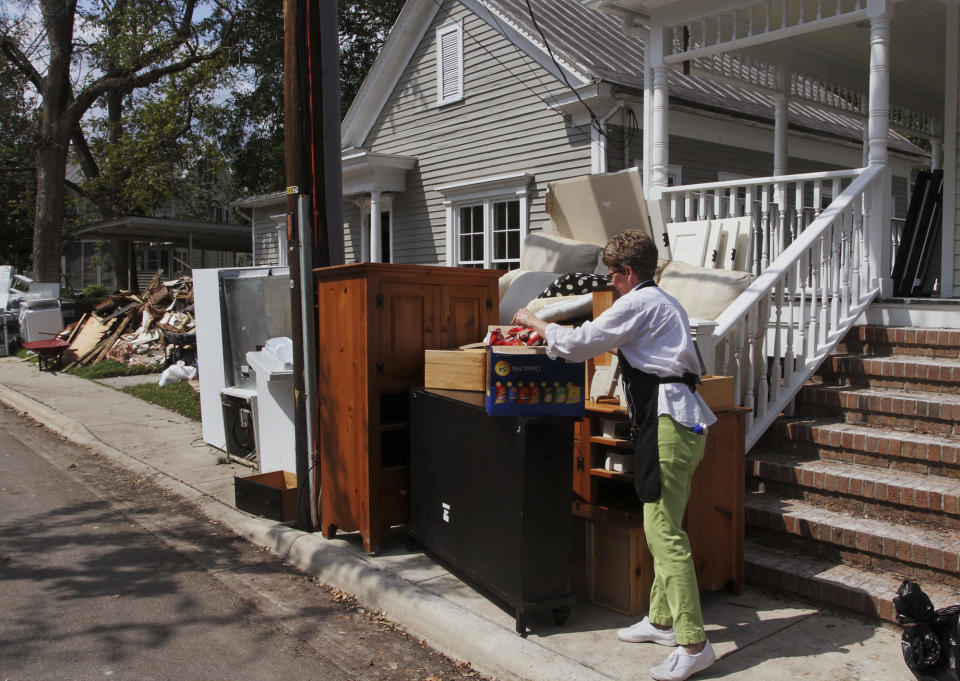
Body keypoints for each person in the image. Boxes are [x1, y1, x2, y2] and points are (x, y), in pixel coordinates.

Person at [512, 229, 717, 681]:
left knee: (663, 533)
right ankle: (662, 622)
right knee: (662, 524)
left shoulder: (639, 302)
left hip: (668, 425)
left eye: (612, 273)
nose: (609, 280)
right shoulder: (664, 301)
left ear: (628, 272)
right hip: (678, 423)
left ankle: (694, 642)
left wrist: (536, 322)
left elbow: (581, 342)